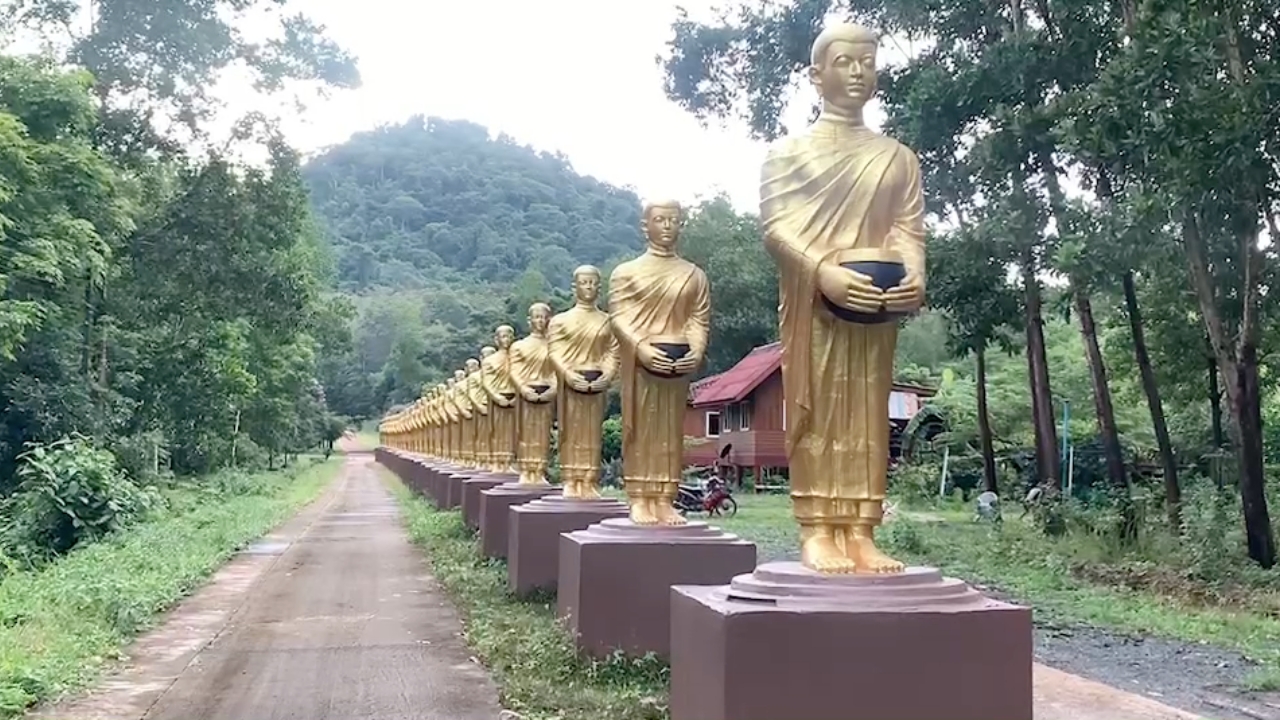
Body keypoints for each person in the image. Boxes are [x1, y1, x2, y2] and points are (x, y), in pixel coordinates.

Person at [761, 23, 926, 573]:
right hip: (816, 307)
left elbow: (908, 230)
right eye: (844, 62)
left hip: (876, 309)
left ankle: (861, 529)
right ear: (817, 75)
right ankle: (816, 529)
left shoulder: (898, 158)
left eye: (867, 62)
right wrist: (823, 271)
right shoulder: (789, 155)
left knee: (867, 415)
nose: (858, 72)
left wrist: (915, 277)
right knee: (819, 412)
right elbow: (777, 230)